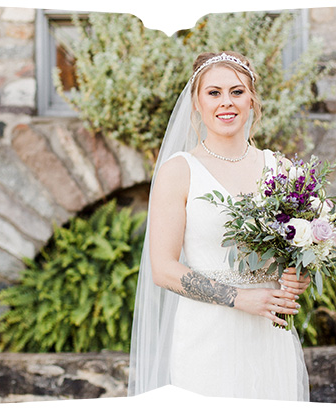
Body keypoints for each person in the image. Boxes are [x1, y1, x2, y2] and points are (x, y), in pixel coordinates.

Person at [127, 51, 313, 400]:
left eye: (236, 91)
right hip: (207, 338)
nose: (226, 102)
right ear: (196, 103)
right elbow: (163, 270)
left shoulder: (280, 169)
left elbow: (298, 253)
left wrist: (298, 275)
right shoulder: (179, 171)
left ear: (251, 99)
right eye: (214, 92)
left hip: (270, 335)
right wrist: (240, 298)